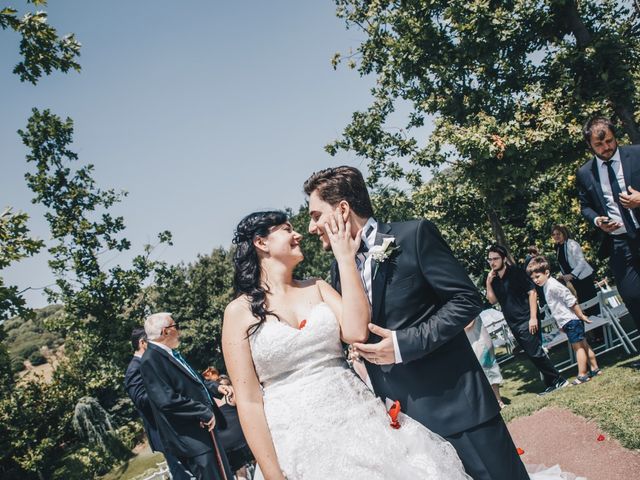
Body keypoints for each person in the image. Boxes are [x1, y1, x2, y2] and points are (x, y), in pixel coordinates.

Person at [306, 165, 535, 479]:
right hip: (407, 427)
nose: (311, 226)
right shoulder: (339, 270)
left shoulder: (413, 235)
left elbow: (466, 300)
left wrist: (403, 344)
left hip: (458, 406)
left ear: (342, 209)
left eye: (316, 214)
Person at [222, 210, 471, 480]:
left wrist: (345, 259)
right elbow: (248, 401)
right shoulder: (238, 313)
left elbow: (355, 332)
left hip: (356, 418)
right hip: (295, 439)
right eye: (286, 229)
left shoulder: (317, 287)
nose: (298, 234)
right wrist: (272, 474)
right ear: (261, 243)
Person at [140, 312, 233, 480]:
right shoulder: (151, 360)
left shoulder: (170, 354)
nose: (179, 331)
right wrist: (202, 411)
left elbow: (194, 381)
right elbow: (166, 400)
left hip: (205, 432)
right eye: (176, 326)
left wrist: (216, 387)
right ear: (165, 331)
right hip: (192, 437)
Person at [576, 116, 640, 333]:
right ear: (589, 145)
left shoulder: (637, 154)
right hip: (619, 242)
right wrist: (597, 220)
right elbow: (585, 206)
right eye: (599, 145)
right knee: (631, 295)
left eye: (610, 141)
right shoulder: (585, 173)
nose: (606, 147)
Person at [485, 244, 569, 395]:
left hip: (527, 318)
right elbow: (492, 300)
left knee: (535, 352)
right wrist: (488, 282)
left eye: (495, 258)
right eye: (490, 259)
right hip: (513, 322)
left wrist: (533, 318)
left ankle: (559, 380)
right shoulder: (494, 279)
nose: (492, 262)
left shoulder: (517, 272)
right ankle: (552, 383)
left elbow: (532, 293)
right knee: (532, 353)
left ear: (503, 258)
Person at [124, 328, 192, 480]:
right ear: (142, 343)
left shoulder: (150, 363)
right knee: (182, 475)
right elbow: (141, 399)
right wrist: (164, 391)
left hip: (174, 429)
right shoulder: (134, 369)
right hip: (163, 432)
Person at [527, 256, 602, 384]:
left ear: (547, 272)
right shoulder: (547, 286)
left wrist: (580, 315)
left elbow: (571, 300)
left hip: (571, 321)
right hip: (568, 322)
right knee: (584, 344)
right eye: (533, 278)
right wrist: (560, 323)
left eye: (537, 276)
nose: (536, 280)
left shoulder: (553, 286)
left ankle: (583, 374)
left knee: (578, 348)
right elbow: (557, 309)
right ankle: (595, 368)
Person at [550, 224, 599, 315]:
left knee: (592, 305)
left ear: (563, 233)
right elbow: (564, 264)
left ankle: (600, 326)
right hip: (573, 282)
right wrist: (563, 275)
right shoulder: (558, 248)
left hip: (583, 278)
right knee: (584, 308)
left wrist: (572, 274)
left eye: (558, 234)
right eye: (554, 234)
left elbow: (581, 262)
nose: (556, 236)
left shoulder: (572, 244)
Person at [214, 375, 254, 480]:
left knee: (234, 474)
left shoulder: (210, 398)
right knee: (244, 470)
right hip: (240, 440)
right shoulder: (232, 392)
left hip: (222, 445)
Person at [464, 318, 505, 409]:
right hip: (471, 342)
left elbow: (469, 325)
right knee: (480, 373)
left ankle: (498, 400)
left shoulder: (466, 305)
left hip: (480, 341)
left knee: (490, 371)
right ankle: (489, 401)